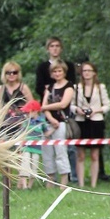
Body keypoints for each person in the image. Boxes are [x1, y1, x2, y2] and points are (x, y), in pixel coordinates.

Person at [72, 62, 110, 188]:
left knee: (95, 154)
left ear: (94, 72)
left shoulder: (100, 88)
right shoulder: (76, 88)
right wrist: (78, 110)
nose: (87, 73)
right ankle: (81, 183)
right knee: (81, 155)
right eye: (84, 71)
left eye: (89, 70)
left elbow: (107, 105)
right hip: (81, 122)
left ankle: (94, 184)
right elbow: (71, 105)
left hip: (96, 122)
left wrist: (96, 111)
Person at [40, 60, 74, 188]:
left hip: (62, 123)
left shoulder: (69, 86)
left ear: (64, 72)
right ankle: (50, 181)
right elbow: (43, 106)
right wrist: (50, 118)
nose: (57, 73)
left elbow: (63, 104)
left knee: (61, 151)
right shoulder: (49, 87)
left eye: (59, 71)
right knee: (47, 152)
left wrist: (47, 108)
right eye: (55, 71)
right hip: (48, 123)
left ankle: (64, 182)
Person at [17, 100, 50, 190]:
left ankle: (30, 185)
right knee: (25, 164)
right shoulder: (26, 122)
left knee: (34, 165)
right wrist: (20, 147)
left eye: (29, 112)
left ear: (35, 111)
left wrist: (54, 128)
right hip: (26, 147)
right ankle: (24, 185)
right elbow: (22, 134)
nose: (27, 114)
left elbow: (46, 133)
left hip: (37, 148)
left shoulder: (41, 122)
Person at [0, 61, 34, 127]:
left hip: (22, 123)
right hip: (5, 124)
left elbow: (33, 106)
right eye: (8, 73)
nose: (11, 74)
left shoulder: (24, 88)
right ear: (4, 74)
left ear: (18, 74)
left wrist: (26, 119)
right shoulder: (0, 89)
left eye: (14, 72)